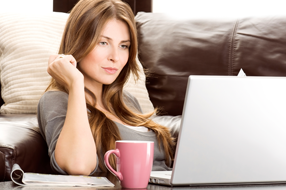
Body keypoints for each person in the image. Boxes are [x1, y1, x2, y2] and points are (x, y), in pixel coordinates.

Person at [37, 0, 177, 176]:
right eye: (103, 43)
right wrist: (75, 83)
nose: (115, 57)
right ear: (78, 42)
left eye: (123, 46)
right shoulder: (56, 100)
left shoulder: (127, 101)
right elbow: (78, 166)